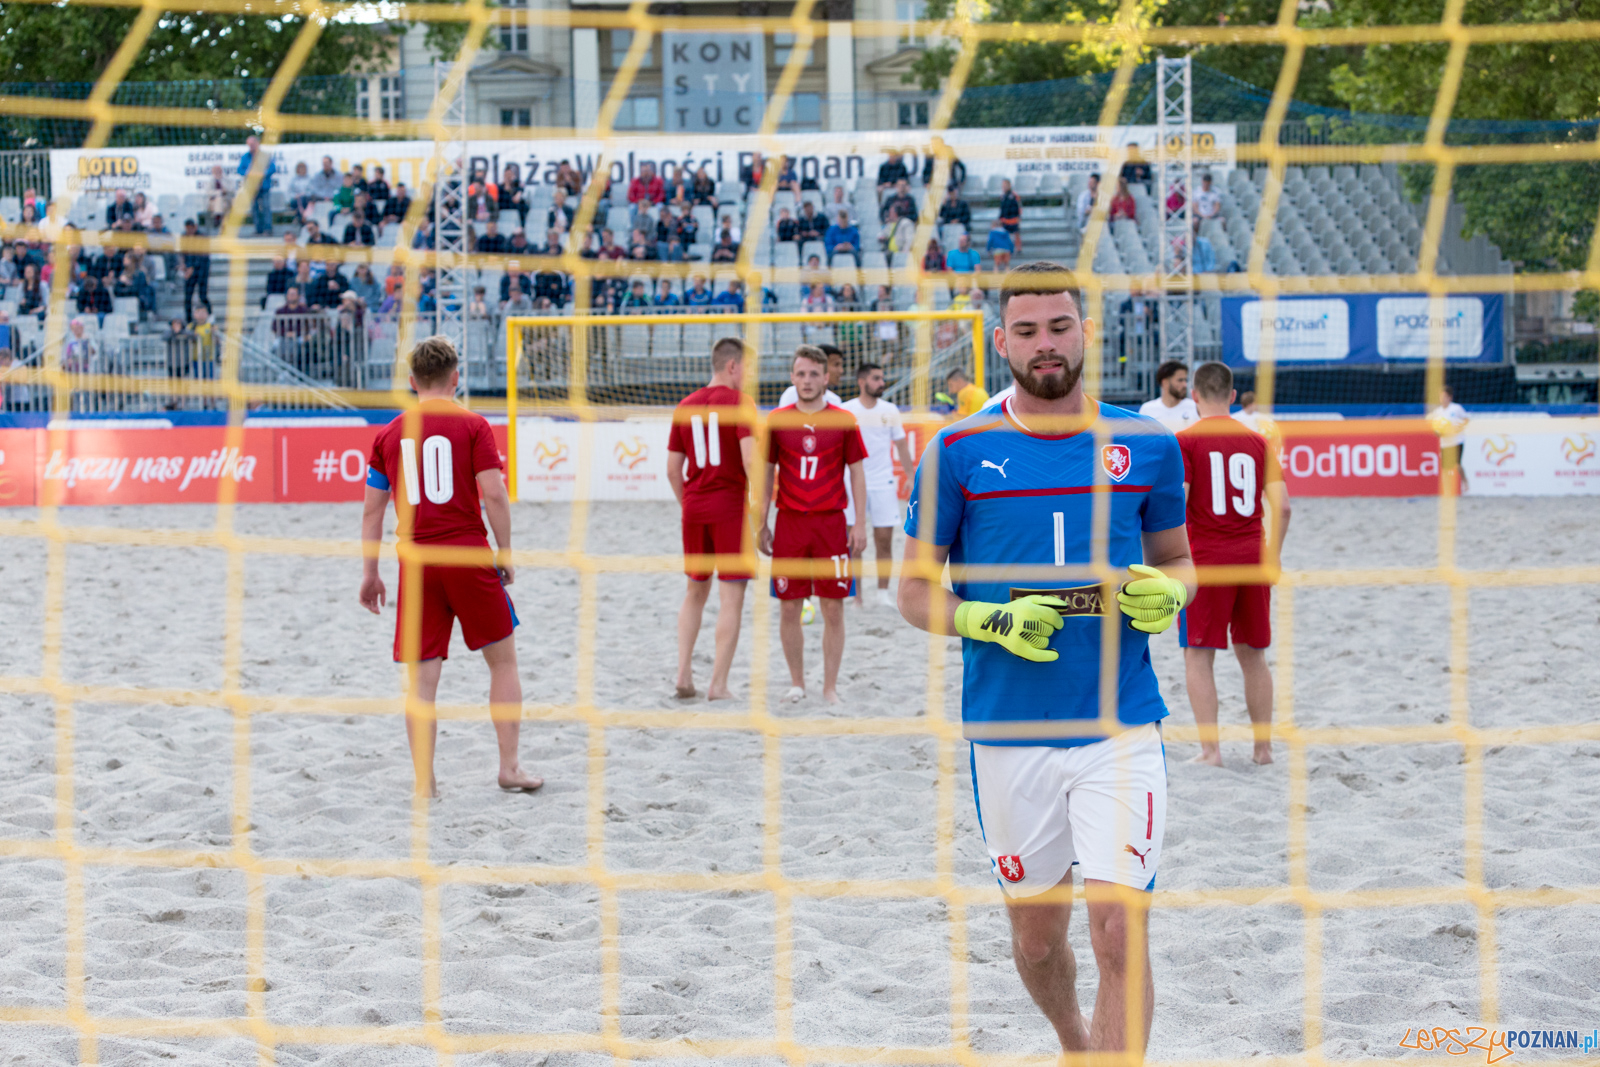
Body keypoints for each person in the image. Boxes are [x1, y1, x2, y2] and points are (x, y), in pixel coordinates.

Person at [896, 260, 1193, 1059]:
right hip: (1009, 729)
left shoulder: (1146, 442)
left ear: (1085, 331)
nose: (1045, 344)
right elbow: (913, 592)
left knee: (1118, 930)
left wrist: (1173, 592)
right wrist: (988, 617)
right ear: (1001, 342)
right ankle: (1073, 1038)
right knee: (1036, 941)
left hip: (1120, 723)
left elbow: (1178, 559)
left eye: (1060, 327)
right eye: (1026, 331)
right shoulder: (957, 450)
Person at [359, 336, 544, 798]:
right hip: (466, 553)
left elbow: (371, 513)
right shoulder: (474, 425)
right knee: (503, 663)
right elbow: (494, 494)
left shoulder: (388, 434)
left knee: (421, 683)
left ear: (411, 381)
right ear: (456, 377)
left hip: (416, 562)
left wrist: (370, 573)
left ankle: (425, 782)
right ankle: (509, 768)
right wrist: (505, 551)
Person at [1176, 361, 1290, 767]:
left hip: (1206, 561)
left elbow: (1179, 501)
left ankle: (1211, 751)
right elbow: (1284, 507)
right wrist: (1273, 557)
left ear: (1194, 395)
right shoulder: (1258, 442)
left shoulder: (1185, 441)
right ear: (1232, 395)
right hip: (1252, 558)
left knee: (1197, 654)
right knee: (1254, 655)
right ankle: (1263, 750)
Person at [758, 345, 869, 703]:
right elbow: (765, 473)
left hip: (831, 524)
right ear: (792, 377)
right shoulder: (777, 420)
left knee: (833, 607)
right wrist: (760, 521)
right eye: (801, 373)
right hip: (789, 524)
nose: (807, 380)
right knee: (789, 606)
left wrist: (860, 523)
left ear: (826, 378)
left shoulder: (843, 420)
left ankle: (829, 688)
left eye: (814, 374)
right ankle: (797, 684)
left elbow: (857, 473)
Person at [667, 336, 758, 700]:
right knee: (731, 597)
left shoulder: (685, 405)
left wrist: (687, 504)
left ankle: (683, 673)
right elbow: (750, 460)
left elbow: (672, 470)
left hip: (695, 506)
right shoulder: (741, 403)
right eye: (748, 368)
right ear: (732, 365)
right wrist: (760, 508)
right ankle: (718, 685)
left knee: (694, 592)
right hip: (729, 506)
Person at [842, 362, 915, 609]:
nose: (882, 383)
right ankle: (856, 595)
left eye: (882, 378)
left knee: (884, 540)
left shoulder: (889, 410)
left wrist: (910, 476)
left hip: (883, 482)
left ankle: (883, 594)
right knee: (853, 541)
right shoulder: (846, 410)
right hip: (852, 482)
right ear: (862, 382)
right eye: (876, 378)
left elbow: (901, 445)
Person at [1430, 383, 1469, 493]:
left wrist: (1457, 428)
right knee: (1445, 468)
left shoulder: (1456, 408)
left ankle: (1464, 481)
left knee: (1457, 465)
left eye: (1444, 396)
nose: (1442, 399)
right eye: (1441, 396)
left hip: (1457, 441)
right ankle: (1447, 489)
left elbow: (1466, 420)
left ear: (1450, 397)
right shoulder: (1437, 412)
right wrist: (1438, 433)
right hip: (1445, 443)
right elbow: (1435, 429)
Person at [1138, 360, 1198, 432]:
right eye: (1180, 380)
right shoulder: (1147, 409)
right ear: (1165, 382)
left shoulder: (1195, 407)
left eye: (1185, 380)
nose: (1185, 385)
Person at [237, 134, 276, 236]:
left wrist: (263, 173)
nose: (251, 146)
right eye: (249, 145)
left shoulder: (265, 155)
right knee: (254, 208)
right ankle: (258, 229)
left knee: (266, 207)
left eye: (252, 144)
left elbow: (272, 168)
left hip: (264, 186)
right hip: (251, 187)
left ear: (257, 143)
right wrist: (248, 173)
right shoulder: (245, 157)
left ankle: (268, 229)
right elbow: (240, 170)